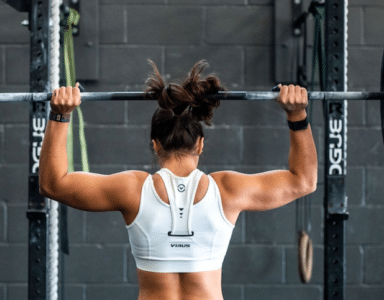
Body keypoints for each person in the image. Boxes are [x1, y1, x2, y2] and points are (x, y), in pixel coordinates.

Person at [39, 60, 318, 300]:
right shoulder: (228, 190)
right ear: (200, 145)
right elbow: (304, 180)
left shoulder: (132, 189)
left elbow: (53, 183)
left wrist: (60, 115)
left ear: (155, 145)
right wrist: (297, 115)